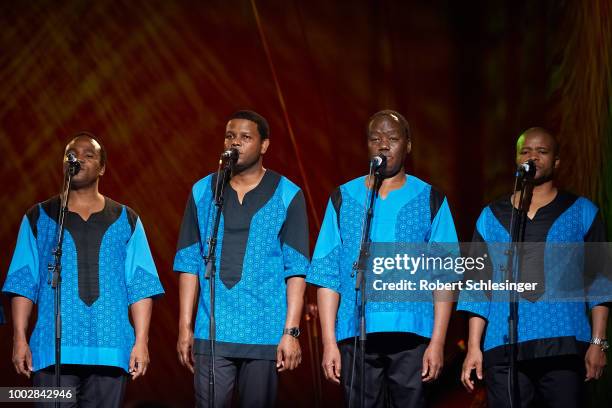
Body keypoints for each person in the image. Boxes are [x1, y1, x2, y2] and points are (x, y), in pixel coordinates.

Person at [307, 110, 458, 407]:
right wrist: (329, 343)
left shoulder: (430, 198)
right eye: (375, 139)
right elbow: (327, 276)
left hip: (412, 335)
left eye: (392, 138)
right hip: (356, 332)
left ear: (408, 145)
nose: (384, 145)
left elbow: (446, 275)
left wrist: (438, 342)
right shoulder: (343, 197)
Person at [2, 131, 164, 407]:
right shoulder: (38, 217)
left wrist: (141, 342)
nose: (78, 159)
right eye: (71, 155)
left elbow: (140, 285)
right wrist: (19, 338)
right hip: (51, 351)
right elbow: (23, 283)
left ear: (102, 168)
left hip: (111, 348)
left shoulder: (126, 219)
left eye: (89, 155)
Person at [458, 127, 611, 407]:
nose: (533, 157)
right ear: (516, 159)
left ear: (556, 161)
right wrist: (473, 348)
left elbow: (599, 281)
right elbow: (477, 286)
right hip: (502, 348)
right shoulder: (491, 216)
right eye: (525, 151)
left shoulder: (582, 211)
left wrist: (598, 343)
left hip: (562, 346)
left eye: (542, 151)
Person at [174, 110, 309, 407]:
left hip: (264, 332)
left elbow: (296, 269)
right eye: (230, 136)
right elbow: (188, 263)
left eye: (246, 137)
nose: (235, 143)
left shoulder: (288, 194)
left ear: (264, 145)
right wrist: (186, 328)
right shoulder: (203, 191)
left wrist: (290, 332)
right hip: (213, 331)